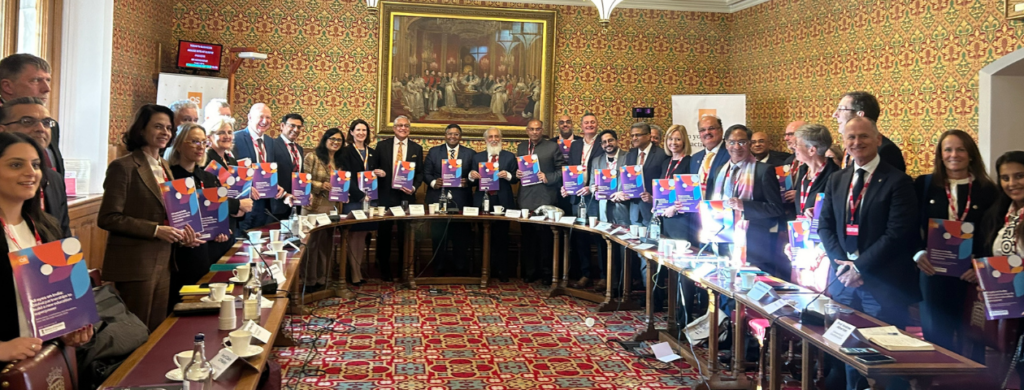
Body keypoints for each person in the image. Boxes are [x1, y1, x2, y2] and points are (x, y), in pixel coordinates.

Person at [817, 117, 919, 390]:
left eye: (863, 136)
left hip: (883, 283)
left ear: (877, 139)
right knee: (847, 350)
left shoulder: (898, 181)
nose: (856, 142)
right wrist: (843, 266)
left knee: (886, 358)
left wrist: (859, 268)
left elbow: (897, 234)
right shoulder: (837, 179)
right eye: (851, 138)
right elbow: (825, 226)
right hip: (843, 284)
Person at [98, 104, 198, 331]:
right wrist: (155, 230)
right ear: (141, 130)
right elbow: (108, 217)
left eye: (169, 128)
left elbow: (169, 214)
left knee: (155, 330)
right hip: (135, 263)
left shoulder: (164, 166)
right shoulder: (123, 167)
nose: (165, 132)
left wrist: (184, 234)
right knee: (135, 332)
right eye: (158, 127)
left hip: (164, 260)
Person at [0, 132, 92, 362]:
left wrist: (70, 330)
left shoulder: (46, 226)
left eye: (35, 165)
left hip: (43, 360)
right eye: (15, 164)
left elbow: (59, 303)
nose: (31, 172)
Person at [912, 129, 996, 362]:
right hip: (933, 272)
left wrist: (981, 266)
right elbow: (909, 224)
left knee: (972, 338)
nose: (953, 154)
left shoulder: (987, 190)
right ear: (940, 155)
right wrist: (918, 253)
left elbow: (992, 233)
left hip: (970, 275)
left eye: (960, 149)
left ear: (971, 155)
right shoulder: (924, 185)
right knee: (936, 336)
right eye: (947, 149)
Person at [706, 125, 787, 279]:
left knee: (750, 296)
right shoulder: (719, 171)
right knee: (725, 294)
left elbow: (776, 209)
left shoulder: (764, 170)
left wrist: (745, 206)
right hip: (723, 240)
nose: (736, 147)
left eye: (742, 142)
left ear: (749, 144)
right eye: (732, 142)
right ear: (725, 144)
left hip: (753, 246)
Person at [164, 123, 232, 307]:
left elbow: (219, 214)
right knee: (181, 303)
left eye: (203, 142)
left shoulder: (208, 178)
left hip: (208, 250)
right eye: (194, 141)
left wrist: (222, 231)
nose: (200, 147)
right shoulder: (170, 177)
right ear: (179, 144)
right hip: (179, 253)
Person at [0, 97, 70, 236]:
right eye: (27, 121)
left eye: (46, 122)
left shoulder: (54, 179)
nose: (40, 128)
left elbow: (63, 235)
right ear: (2, 130)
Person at [785, 123, 840, 291]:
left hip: (822, 249)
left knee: (818, 299)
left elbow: (836, 216)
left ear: (812, 149)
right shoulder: (802, 171)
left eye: (798, 144)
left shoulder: (835, 176)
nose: (793, 147)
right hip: (801, 243)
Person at [375, 116, 423, 281]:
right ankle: (384, 269)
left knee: (406, 234)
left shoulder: (417, 148)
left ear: (409, 128)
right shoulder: (382, 146)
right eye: (400, 126)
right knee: (384, 234)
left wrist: (414, 187)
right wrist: (377, 172)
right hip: (386, 196)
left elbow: (420, 174)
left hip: (406, 197)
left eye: (406, 126)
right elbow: (373, 168)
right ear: (394, 128)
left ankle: (405, 269)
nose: (403, 128)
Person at [424, 124, 475, 276]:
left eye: (456, 134)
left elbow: (475, 175)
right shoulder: (433, 152)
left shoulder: (470, 153)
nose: (453, 136)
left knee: (461, 237)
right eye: (450, 134)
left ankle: (460, 269)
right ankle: (439, 268)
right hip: (438, 198)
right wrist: (434, 182)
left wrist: (469, 180)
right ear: (445, 135)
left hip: (461, 200)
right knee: (439, 236)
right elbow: (426, 173)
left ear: (461, 137)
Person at [517, 119, 564, 284]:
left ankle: (546, 274)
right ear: (527, 131)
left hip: (546, 198)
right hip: (525, 199)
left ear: (542, 130)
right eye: (531, 129)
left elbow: (562, 171)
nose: (535, 132)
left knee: (546, 240)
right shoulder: (522, 147)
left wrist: (548, 177)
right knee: (528, 239)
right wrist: (518, 174)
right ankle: (530, 272)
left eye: (538, 129)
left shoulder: (552, 146)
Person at [468, 127, 518, 282]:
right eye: (491, 137)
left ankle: (502, 271)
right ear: (485, 140)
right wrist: (471, 176)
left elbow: (516, 178)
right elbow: (470, 178)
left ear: (501, 139)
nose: (494, 139)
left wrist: (508, 175)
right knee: (482, 235)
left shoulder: (509, 157)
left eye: (497, 136)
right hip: (482, 200)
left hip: (502, 200)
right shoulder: (478, 157)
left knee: (501, 236)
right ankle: (484, 270)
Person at [0, 54, 62, 177]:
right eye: (36, 80)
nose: (47, 88)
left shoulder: (50, 126)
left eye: (48, 80)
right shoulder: (4, 122)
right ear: (7, 86)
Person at [340, 119, 385, 286]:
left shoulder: (372, 152)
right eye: (358, 130)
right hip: (354, 199)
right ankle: (354, 272)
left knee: (363, 234)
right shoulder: (345, 152)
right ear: (351, 132)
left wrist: (378, 173)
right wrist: (359, 195)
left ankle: (358, 269)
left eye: (364, 130)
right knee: (353, 234)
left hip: (371, 198)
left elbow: (370, 174)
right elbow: (346, 176)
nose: (361, 133)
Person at [559, 113, 602, 289]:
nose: (589, 125)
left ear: (596, 125)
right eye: (586, 123)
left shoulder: (603, 143)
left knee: (599, 237)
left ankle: (604, 276)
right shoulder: (576, 145)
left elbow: (608, 170)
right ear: (582, 126)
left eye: (592, 122)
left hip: (596, 197)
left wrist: (591, 186)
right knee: (580, 236)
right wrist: (566, 187)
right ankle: (585, 274)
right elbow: (570, 170)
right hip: (577, 197)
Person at [300, 128, 346, 292]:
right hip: (313, 205)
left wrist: (344, 193)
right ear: (325, 139)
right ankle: (309, 281)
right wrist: (320, 185)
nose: (336, 142)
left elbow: (342, 183)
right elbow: (302, 179)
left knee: (326, 244)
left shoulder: (340, 161)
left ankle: (323, 279)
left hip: (332, 207)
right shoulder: (312, 157)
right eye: (332, 138)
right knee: (310, 245)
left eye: (339, 140)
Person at [202, 115, 252, 257]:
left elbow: (237, 193)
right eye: (221, 132)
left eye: (229, 132)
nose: (227, 136)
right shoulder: (205, 160)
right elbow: (208, 196)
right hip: (214, 227)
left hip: (232, 223)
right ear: (210, 136)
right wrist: (238, 205)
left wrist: (241, 209)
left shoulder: (231, 161)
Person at [233, 103, 286, 233]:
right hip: (245, 203)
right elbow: (229, 172)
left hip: (266, 205)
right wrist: (244, 187)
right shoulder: (235, 138)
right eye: (261, 117)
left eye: (268, 118)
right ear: (250, 117)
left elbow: (269, 170)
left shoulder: (270, 142)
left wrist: (275, 185)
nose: (265, 121)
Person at [833, 91, 906, 172]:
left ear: (859, 115)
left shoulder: (886, 150)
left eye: (841, 109)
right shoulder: (850, 147)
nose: (835, 114)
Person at [270, 113, 305, 220]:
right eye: (292, 125)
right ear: (282, 126)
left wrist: (306, 193)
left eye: (299, 127)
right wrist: (284, 194)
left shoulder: (299, 149)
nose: (296, 130)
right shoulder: (272, 145)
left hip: (296, 203)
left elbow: (300, 174)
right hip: (278, 203)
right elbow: (269, 175)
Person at [690, 115, 730, 192]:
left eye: (711, 128)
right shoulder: (695, 158)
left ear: (721, 130)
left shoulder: (730, 153)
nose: (707, 132)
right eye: (702, 130)